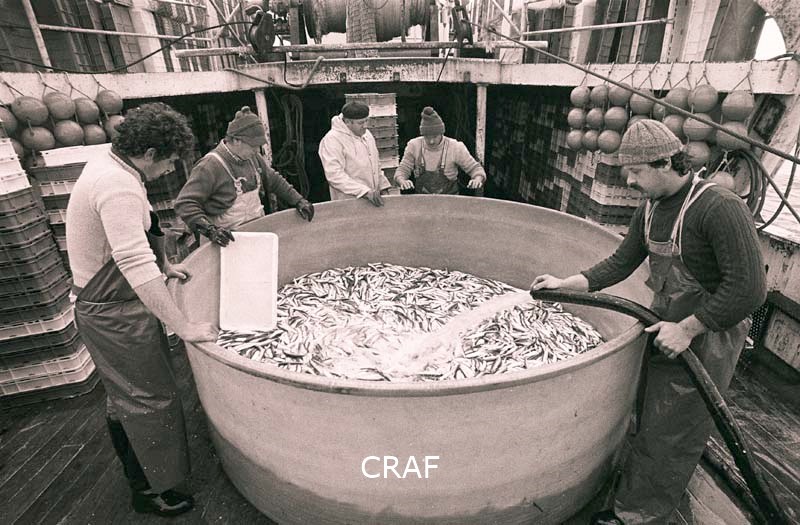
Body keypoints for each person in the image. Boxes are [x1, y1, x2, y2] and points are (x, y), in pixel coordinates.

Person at [531, 119, 766, 524]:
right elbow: (621, 262)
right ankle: (635, 491)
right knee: (648, 414)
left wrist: (689, 328)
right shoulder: (651, 207)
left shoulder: (720, 207)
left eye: (636, 171)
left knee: (673, 429)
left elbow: (749, 290)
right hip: (665, 323)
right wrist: (566, 283)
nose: (629, 180)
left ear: (665, 163)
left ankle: (637, 516)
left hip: (707, 334)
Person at [66, 102, 219, 517]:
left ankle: (148, 478)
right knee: (144, 400)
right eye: (169, 161)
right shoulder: (116, 186)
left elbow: (141, 228)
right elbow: (132, 262)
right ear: (149, 153)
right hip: (111, 312)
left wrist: (166, 265)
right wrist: (184, 326)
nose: (170, 170)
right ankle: (149, 491)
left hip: (118, 304)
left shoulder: (116, 166)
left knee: (129, 396)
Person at [175, 106, 314, 247]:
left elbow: (274, 180)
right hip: (223, 244)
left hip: (254, 236)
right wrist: (210, 230)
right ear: (236, 140)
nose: (257, 150)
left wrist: (298, 201)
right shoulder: (209, 166)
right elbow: (185, 204)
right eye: (253, 145)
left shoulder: (253, 158)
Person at [394, 106, 486, 195]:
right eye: (427, 137)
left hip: (449, 200)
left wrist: (477, 179)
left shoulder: (456, 147)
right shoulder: (414, 146)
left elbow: (475, 169)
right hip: (423, 200)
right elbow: (402, 170)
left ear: (442, 133)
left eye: (435, 136)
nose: (431, 141)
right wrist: (402, 181)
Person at [318, 100, 392, 207]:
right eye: (361, 123)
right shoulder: (332, 140)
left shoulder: (367, 134)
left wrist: (383, 187)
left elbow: (376, 165)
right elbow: (334, 175)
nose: (365, 126)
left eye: (367, 121)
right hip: (349, 202)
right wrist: (364, 192)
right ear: (348, 122)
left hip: (372, 199)